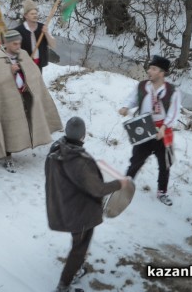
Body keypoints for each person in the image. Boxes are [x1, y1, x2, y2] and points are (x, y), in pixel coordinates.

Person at [45, 117, 129, 292]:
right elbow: (97, 189)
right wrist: (120, 184)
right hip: (80, 213)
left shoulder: (56, 150)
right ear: (83, 136)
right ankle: (64, 286)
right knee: (79, 249)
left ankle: (76, 269)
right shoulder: (78, 161)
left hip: (63, 205)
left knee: (77, 241)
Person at [0, 29, 63, 172]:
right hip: (6, 100)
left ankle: (27, 141)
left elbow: (34, 74)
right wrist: (10, 72)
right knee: (8, 126)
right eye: (14, 44)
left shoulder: (23, 54)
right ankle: (7, 156)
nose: (18, 46)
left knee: (26, 121)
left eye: (19, 43)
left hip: (23, 95)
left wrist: (29, 82)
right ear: (7, 44)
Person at [118, 55, 181, 206]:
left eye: (153, 69)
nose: (149, 71)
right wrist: (126, 107)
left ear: (162, 72)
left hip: (163, 131)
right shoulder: (142, 86)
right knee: (136, 160)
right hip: (144, 128)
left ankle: (162, 192)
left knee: (164, 164)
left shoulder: (173, 92)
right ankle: (126, 185)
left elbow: (173, 113)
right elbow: (132, 99)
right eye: (150, 68)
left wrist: (164, 128)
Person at [14, 0, 56, 72]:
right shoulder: (18, 30)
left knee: (37, 83)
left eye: (36, 13)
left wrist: (46, 33)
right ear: (26, 16)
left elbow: (53, 45)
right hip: (25, 65)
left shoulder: (42, 28)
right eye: (32, 14)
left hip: (38, 64)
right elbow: (13, 49)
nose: (35, 15)